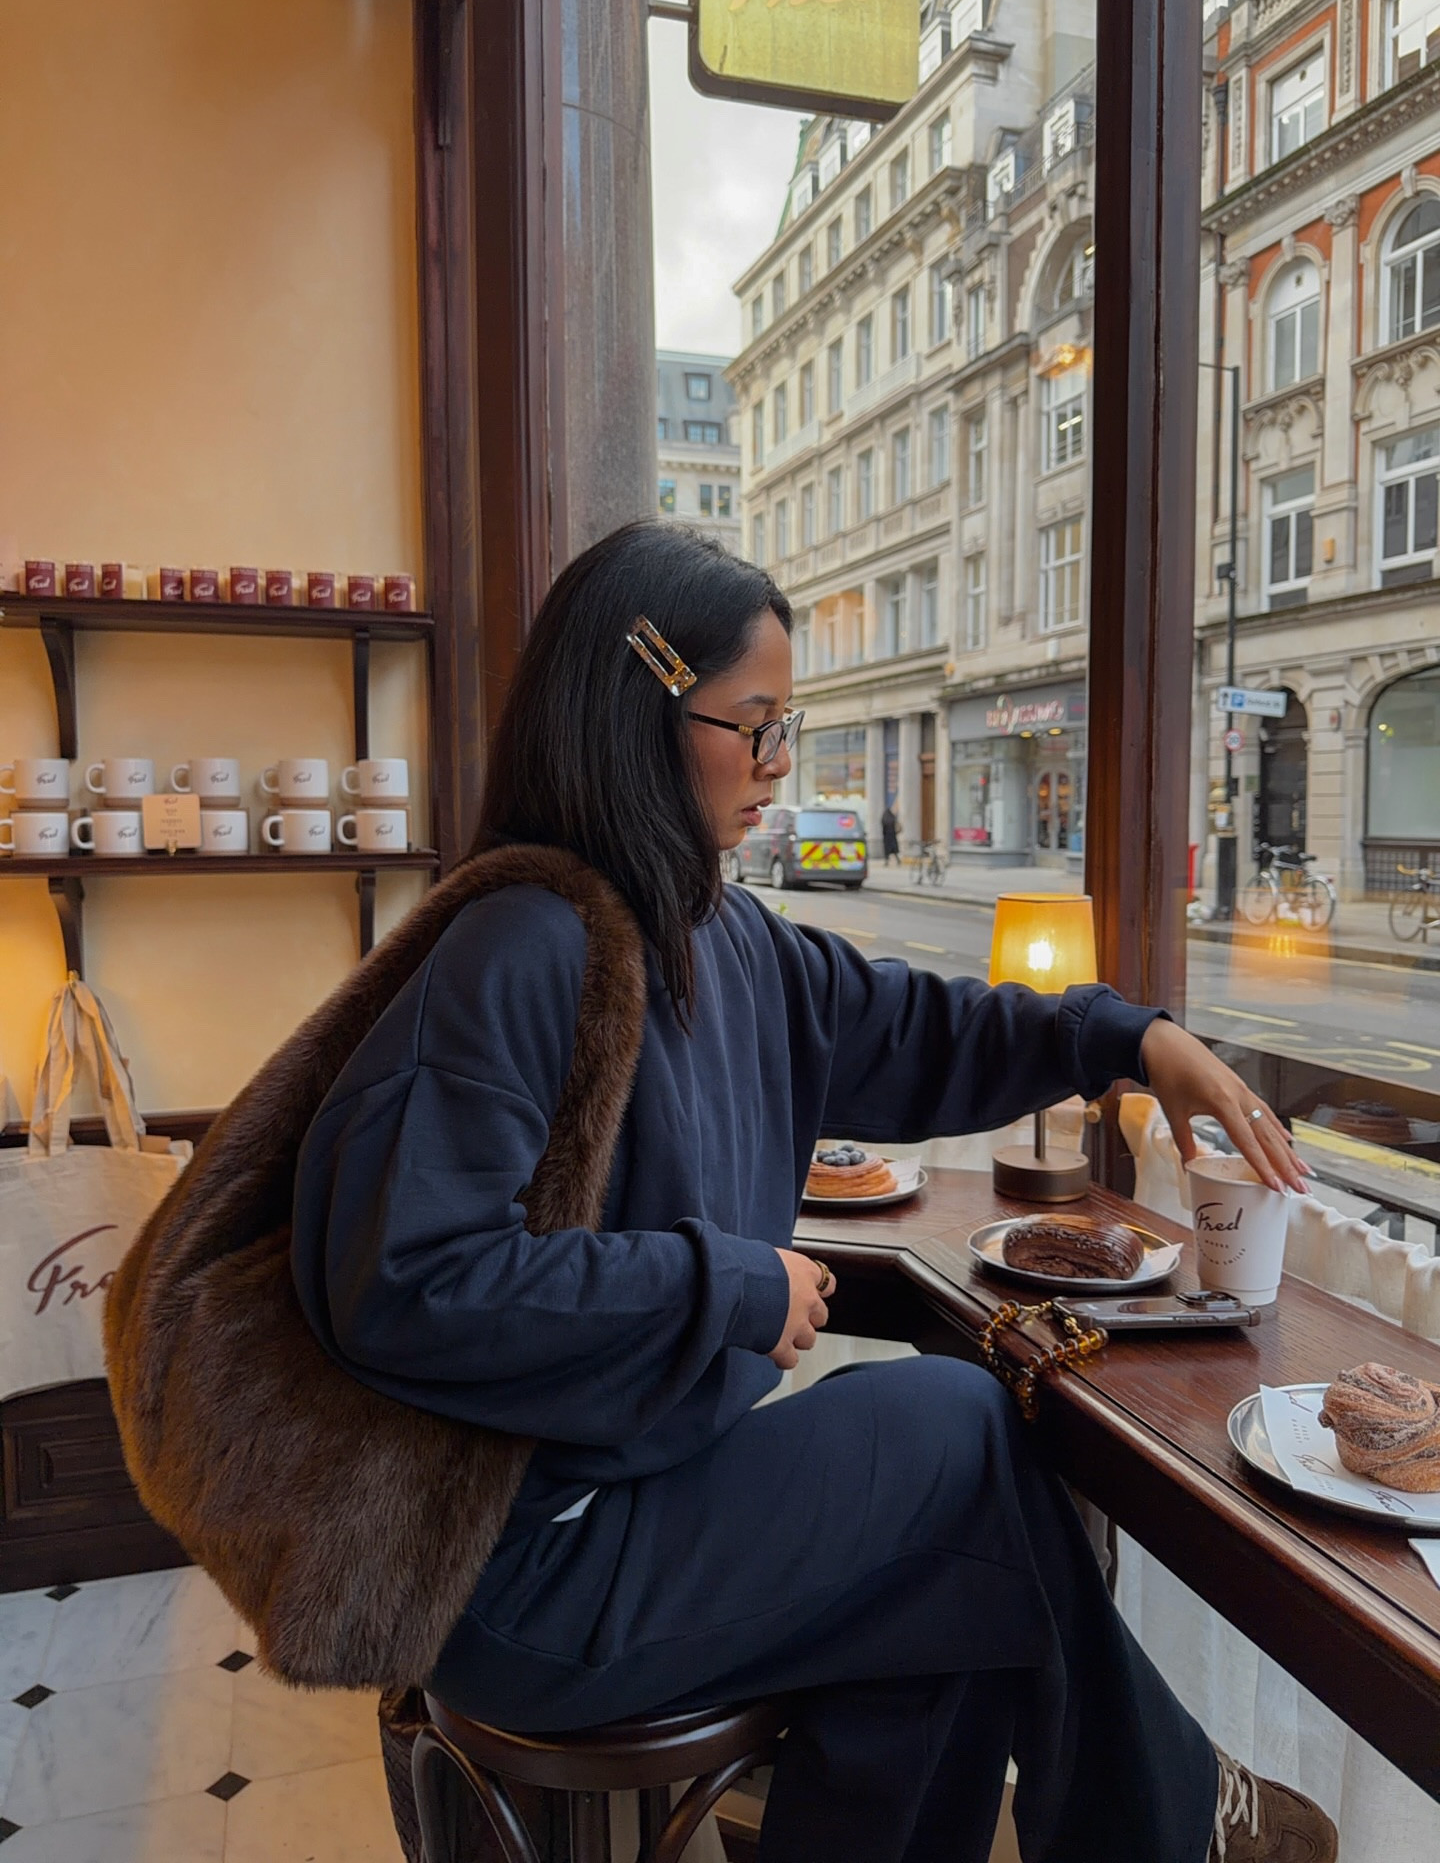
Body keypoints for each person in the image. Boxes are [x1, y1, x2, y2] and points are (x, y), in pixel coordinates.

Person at [291, 523, 1336, 1863]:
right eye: (758, 726)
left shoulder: (723, 937)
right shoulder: (523, 944)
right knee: (958, 1427)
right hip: (520, 1560)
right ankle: (1179, 1825)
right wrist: (730, 1281)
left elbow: (927, 1030)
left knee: (956, 1595)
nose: (781, 768)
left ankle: (1171, 1820)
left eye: (792, 729)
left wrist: (1133, 1040)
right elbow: (410, 1282)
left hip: (648, 1485)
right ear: (640, 712)